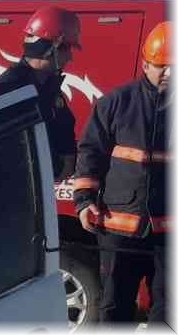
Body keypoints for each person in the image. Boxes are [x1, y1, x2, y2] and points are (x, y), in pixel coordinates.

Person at [72, 21, 170, 324]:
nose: (168, 74)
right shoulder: (117, 102)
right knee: (115, 307)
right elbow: (91, 151)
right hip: (119, 231)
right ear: (145, 64)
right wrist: (84, 198)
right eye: (161, 66)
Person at [0, 5, 80, 181]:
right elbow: (5, 149)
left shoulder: (48, 89)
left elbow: (62, 130)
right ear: (51, 48)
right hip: (5, 196)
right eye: (67, 48)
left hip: (35, 192)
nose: (70, 57)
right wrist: (55, 166)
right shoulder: (6, 91)